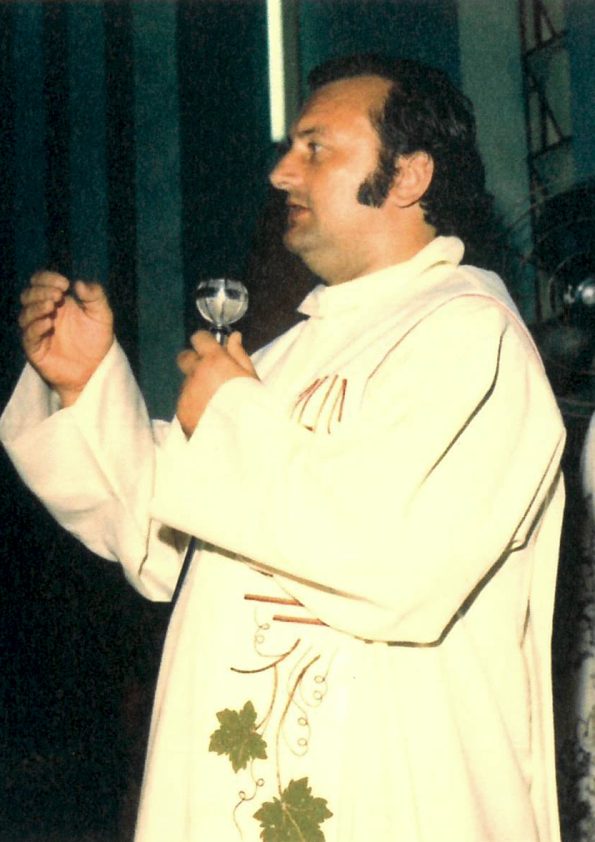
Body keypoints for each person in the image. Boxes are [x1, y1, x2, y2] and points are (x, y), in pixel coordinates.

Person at [0, 54, 565, 842]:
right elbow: (163, 546)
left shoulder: (469, 333)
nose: (280, 173)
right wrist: (87, 386)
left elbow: (401, 562)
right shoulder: (283, 357)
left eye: (315, 148)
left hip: (387, 789)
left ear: (408, 176)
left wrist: (231, 413)